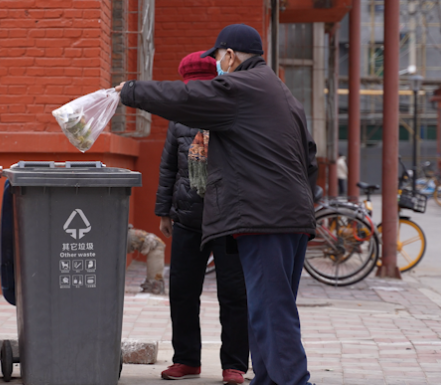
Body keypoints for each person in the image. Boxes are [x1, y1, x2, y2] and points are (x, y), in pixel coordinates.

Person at [116, 24, 318, 385]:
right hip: (286, 216)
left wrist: (130, 91)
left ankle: (292, 381)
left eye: (219, 59)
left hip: (266, 217)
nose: (218, 67)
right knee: (265, 309)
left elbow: (186, 99)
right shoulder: (280, 92)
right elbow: (310, 158)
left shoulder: (243, 87)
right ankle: (270, 378)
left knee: (272, 310)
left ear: (229, 55)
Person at [156, 51, 248, 384]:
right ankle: (186, 359)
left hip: (229, 220)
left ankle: (235, 364)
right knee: (181, 289)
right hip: (187, 217)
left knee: (235, 293)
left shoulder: (232, 115)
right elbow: (168, 167)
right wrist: (164, 210)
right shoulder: (178, 120)